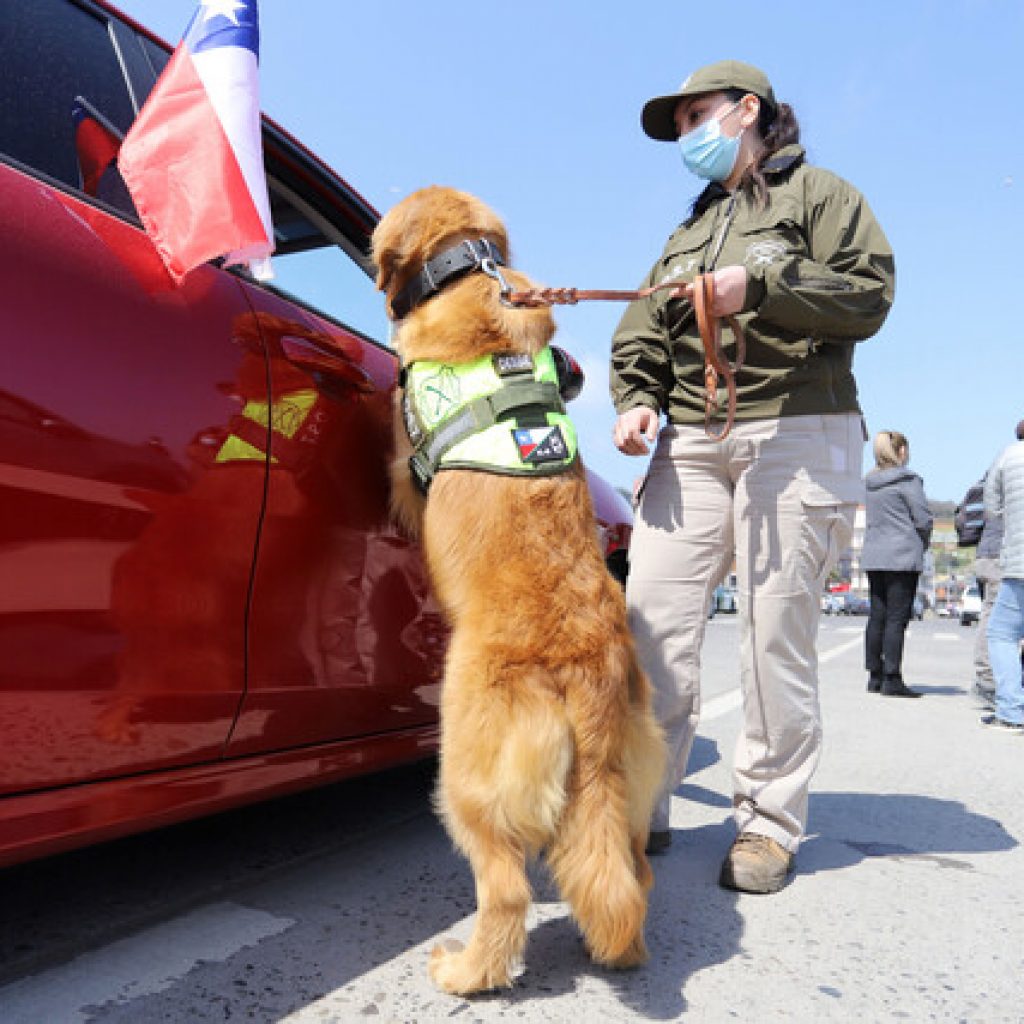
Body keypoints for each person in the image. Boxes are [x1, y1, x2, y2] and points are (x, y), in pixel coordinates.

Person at [610, 60, 894, 893]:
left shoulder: (824, 196)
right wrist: (636, 397)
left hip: (799, 427)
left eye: (697, 116)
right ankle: (639, 805)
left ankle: (767, 824)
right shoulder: (687, 228)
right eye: (679, 126)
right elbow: (642, 325)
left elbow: (870, 296)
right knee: (650, 624)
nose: (686, 136)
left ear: (747, 110)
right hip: (692, 437)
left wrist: (763, 285)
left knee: (775, 636)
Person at [860, 430, 933, 697]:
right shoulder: (908, 481)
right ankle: (893, 678)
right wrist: (921, 543)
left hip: (874, 555)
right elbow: (923, 519)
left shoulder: (869, 483)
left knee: (877, 615)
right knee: (896, 618)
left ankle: (875, 675)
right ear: (901, 451)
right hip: (901, 556)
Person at [981, 420, 1024, 732]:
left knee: (1001, 633)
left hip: (1020, 561)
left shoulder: (1008, 456)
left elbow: (992, 508)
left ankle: (1010, 710)